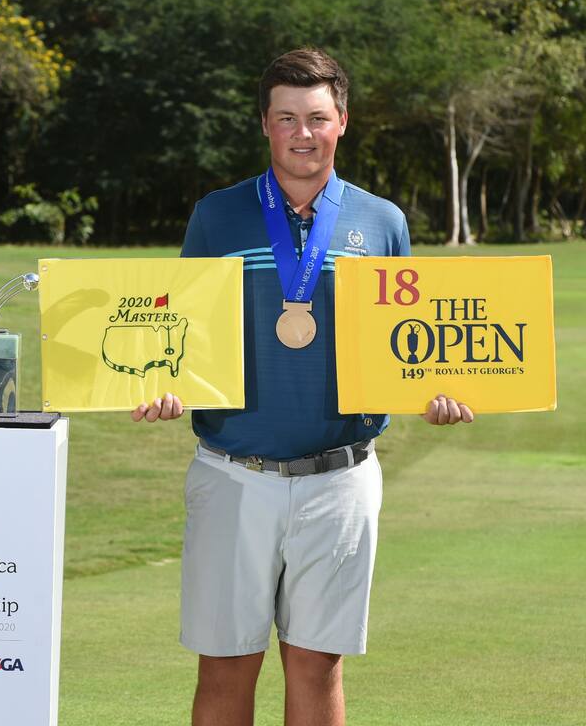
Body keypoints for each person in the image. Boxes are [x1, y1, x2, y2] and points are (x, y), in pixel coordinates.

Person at [132, 47, 473, 726]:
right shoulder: (217, 216)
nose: (303, 133)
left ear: (342, 121)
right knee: (225, 668)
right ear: (265, 124)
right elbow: (180, 330)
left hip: (340, 479)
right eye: (286, 118)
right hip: (232, 474)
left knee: (318, 667)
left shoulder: (382, 221)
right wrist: (165, 383)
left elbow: (410, 344)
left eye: (317, 117)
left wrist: (435, 392)